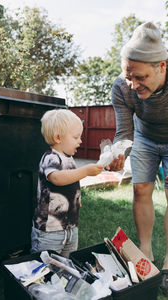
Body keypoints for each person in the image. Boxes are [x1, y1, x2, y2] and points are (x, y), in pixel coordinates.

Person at [110, 21, 168, 293]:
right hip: (145, 135)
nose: (132, 84)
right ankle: (145, 253)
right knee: (141, 188)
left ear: (162, 67)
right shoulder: (121, 87)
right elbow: (125, 130)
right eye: (128, 76)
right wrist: (119, 152)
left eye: (140, 78)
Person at [31, 109, 103, 258]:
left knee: (68, 266)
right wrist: (86, 171)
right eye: (76, 137)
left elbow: (70, 182)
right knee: (46, 267)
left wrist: (75, 201)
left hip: (70, 228)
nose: (80, 141)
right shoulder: (51, 158)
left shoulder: (69, 158)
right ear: (58, 138)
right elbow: (57, 178)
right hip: (50, 231)